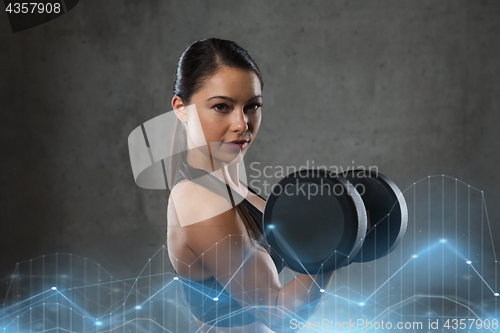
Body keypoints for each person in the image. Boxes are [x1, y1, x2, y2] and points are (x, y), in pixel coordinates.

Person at [166, 38, 334, 333]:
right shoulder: (199, 198)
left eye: (252, 106)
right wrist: (337, 245)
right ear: (182, 108)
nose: (242, 123)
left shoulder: (240, 193)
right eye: (221, 106)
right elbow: (279, 315)